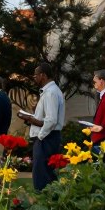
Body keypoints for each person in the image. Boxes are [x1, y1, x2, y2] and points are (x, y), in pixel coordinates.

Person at [21, 62, 65, 190]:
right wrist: (32, 116)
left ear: (43, 75)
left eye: (35, 75)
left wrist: (40, 136)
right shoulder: (49, 92)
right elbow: (46, 118)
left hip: (47, 138)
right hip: (47, 137)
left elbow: (51, 120)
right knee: (44, 174)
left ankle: (45, 203)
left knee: (43, 176)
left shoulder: (51, 92)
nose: (34, 78)